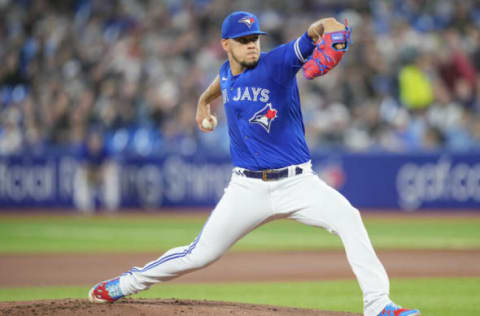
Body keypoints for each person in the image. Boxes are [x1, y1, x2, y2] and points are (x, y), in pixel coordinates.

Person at [88, 11, 420, 316]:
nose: (252, 45)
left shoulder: (277, 63)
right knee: (200, 254)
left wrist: (330, 28)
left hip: (297, 183)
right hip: (246, 188)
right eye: (244, 40)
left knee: (349, 218)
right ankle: (126, 284)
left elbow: (321, 28)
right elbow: (222, 82)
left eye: (255, 39)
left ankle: (378, 305)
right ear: (225, 45)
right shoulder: (226, 73)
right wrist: (203, 103)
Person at [73, 129, 120, 213]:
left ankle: (110, 208)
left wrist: (100, 174)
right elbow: (84, 169)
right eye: (92, 141)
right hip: (90, 177)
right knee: (80, 176)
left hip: (102, 176)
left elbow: (109, 165)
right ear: (88, 142)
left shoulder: (105, 150)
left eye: (97, 141)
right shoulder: (84, 151)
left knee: (112, 175)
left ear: (101, 142)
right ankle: (84, 209)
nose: (95, 143)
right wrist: (94, 175)